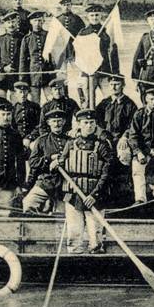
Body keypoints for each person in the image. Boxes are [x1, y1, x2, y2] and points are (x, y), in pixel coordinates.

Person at [57, 109, 113, 254]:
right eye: (86, 123)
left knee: (96, 236)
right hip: (74, 195)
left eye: (92, 123)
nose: (89, 126)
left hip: (96, 196)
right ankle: (74, 260)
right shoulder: (70, 144)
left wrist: (94, 195)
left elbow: (107, 173)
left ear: (96, 125)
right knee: (74, 234)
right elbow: (61, 165)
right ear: (79, 124)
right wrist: (55, 163)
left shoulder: (102, 146)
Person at [69, 4, 120, 106]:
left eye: (97, 15)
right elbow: (77, 54)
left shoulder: (107, 31)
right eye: (92, 15)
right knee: (88, 101)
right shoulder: (83, 33)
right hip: (89, 72)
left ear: (101, 16)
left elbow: (114, 53)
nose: (94, 17)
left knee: (111, 99)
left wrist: (115, 72)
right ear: (87, 17)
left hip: (105, 71)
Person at [22, 109, 70, 214]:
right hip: (46, 182)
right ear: (48, 122)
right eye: (54, 121)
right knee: (27, 203)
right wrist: (48, 159)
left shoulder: (70, 141)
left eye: (59, 121)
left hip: (64, 186)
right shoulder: (41, 140)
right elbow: (33, 162)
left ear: (64, 122)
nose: (57, 124)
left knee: (61, 216)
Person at [18, 10, 50, 102]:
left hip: (47, 74)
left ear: (43, 21)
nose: (37, 23)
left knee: (51, 100)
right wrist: (23, 79)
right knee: (35, 102)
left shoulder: (48, 36)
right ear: (31, 22)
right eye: (35, 21)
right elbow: (23, 60)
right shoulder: (27, 39)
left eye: (39, 20)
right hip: (33, 76)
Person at [0, 12, 23, 97]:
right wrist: (3, 68)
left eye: (13, 22)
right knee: (0, 100)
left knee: (17, 102)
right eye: (8, 23)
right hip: (2, 78)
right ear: (4, 24)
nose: (11, 25)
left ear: (17, 23)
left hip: (17, 77)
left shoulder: (22, 39)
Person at [12, 80, 42, 149]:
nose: (23, 95)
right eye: (20, 92)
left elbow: (39, 124)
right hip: (18, 139)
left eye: (25, 92)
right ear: (15, 94)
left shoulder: (35, 107)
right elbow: (13, 127)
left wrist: (29, 137)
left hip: (33, 138)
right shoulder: (13, 109)